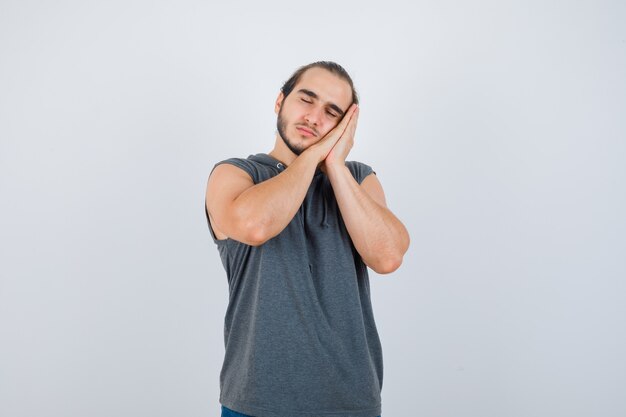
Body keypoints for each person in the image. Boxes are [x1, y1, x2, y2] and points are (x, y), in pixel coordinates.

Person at [205, 61, 410, 417]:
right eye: (306, 100)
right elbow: (255, 226)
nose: (314, 118)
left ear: (345, 126)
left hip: (350, 402)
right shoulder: (236, 173)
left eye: (332, 113)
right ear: (279, 101)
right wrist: (317, 152)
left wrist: (335, 166)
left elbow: (388, 256)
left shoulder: (358, 179)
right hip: (256, 403)